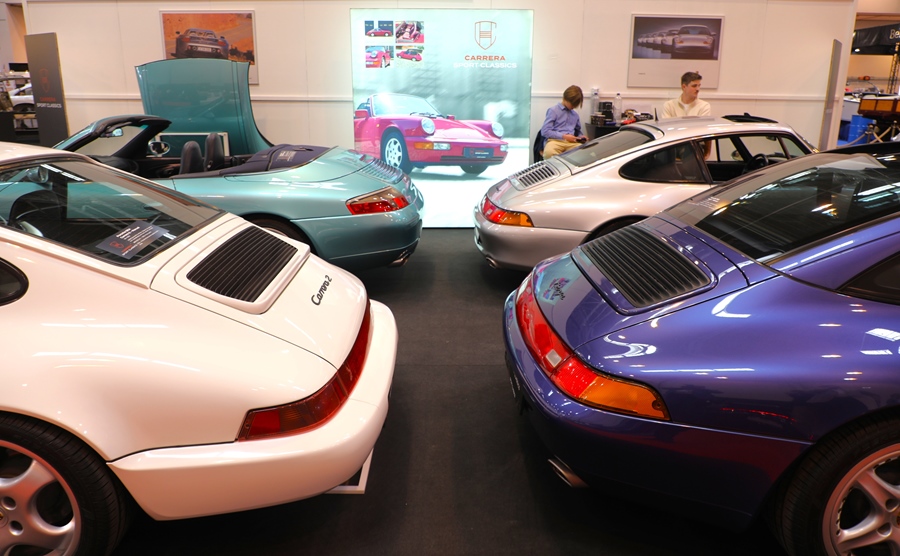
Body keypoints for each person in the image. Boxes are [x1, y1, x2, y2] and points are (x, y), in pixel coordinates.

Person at [540, 85, 587, 158]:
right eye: (572, 104)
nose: (574, 107)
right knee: (549, 153)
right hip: (555, 141)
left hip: (572, 143)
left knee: (586, 154)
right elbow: (545, 131)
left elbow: (577, 131)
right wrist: (564, 136)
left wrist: (581, 137)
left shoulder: (575, 115)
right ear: (565, 99)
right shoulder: (553, 111)